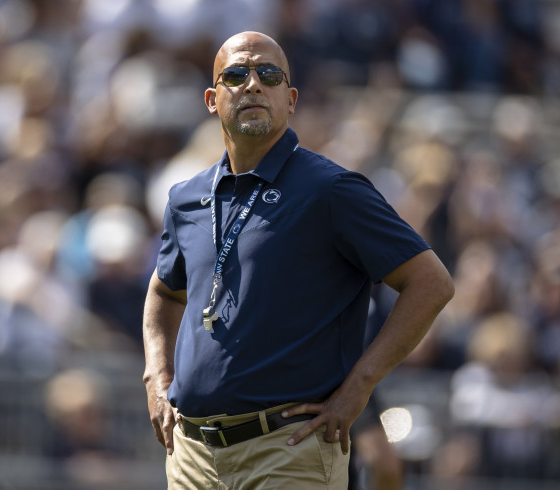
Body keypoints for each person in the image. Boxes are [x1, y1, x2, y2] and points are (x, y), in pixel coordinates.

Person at [142, 31, 454, 489]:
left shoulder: (331, 189)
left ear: (289, 100)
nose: (252, 85)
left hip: (287, 450)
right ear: (212, 99)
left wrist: (360, 387)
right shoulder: (187, 197)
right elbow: (164, 292)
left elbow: (431, 282)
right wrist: (157, 376)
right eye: (236, 75)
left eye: (268, 75)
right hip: (193, 456)